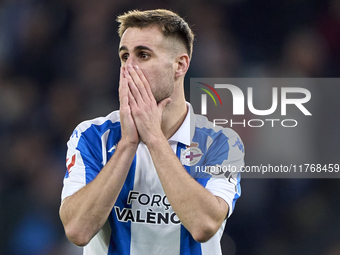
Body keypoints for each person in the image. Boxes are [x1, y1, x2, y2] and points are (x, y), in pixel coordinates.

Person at [59, 9, 244, 255]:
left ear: (180, 65)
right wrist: (128, 143)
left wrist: (154, 138)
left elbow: (204, 225)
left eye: (143, 55)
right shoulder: (92, 136)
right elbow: (77, 231)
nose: (129, 68)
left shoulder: (221, 143)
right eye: (125, 57)